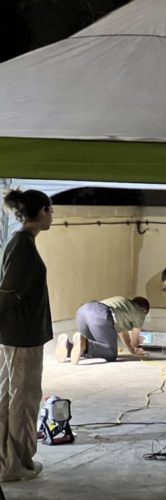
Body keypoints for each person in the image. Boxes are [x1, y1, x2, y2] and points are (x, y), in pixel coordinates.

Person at [0, 188, 53, 481]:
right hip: (22, 337)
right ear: (42, 211)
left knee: (11, 398)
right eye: (51, 210)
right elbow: (8, 292)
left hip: (17, 335)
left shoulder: (19, 242)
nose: (52, 217)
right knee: (23, 401)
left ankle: (9, 462)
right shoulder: (22, 246)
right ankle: (17, 465)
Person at [55, 296, 150, 364]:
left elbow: (122, 332)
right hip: (100, 314)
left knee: (96, 349)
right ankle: (84, 343)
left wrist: (131, 350)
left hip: (82, 312)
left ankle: (67, 346)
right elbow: (134, 341)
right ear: (144, 311)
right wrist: (137, 345)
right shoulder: (140, 313)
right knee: (111, 353)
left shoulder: (124, 306)